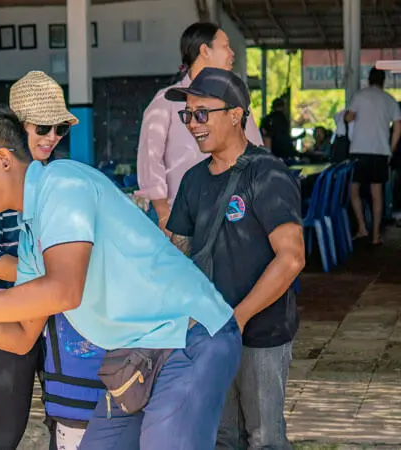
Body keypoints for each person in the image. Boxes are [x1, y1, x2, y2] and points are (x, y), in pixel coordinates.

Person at [0, 104, 241, 449]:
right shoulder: (31, 233)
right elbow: (21, 337)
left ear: (2, 159)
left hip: (188, 336)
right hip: (138, 354)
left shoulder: (62, 184)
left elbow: (64, 291)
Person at [0, 71, 101, 450]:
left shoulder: (59, 181)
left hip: (57, 322)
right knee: (4, 434)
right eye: (42, 127)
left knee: (60, 421)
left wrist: (57, 276)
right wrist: (53, 273)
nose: (51, 137)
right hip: (9, 315)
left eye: (60, 129)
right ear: (13, 133)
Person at [163, 67, 305, 450]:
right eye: (187, 115)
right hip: (209, 337)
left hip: (262, 335)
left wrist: (236, 318)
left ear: (236, 115)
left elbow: (291, 259)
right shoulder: (193, 180)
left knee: (264, 439)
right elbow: (178, 254)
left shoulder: (268, 174)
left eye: (202, 113)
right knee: (220, 438)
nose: (192, 124)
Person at [135, 22, 263, 232]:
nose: (232, 54)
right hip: (178, 215)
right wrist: (164, 214)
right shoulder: (166, 101)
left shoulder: (235, 103)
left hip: (228, 216)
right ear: (205, 50)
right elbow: (150, 159)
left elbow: (255, 152)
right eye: (226, 46)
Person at [346, 67, 401, 245]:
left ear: (368, 80)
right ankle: (376, 235)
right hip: (380, 152)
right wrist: (390, 148)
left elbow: (349, 118)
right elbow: (398, 128)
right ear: (383, 81)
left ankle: (362, 227)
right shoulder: (389, 100)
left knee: (353, 191)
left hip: (359, 150)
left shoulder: (360, 96)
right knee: (377, 194)